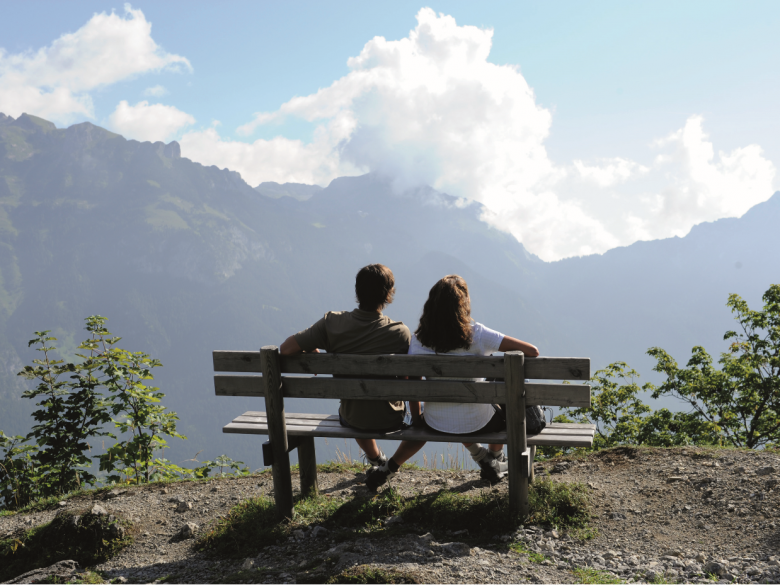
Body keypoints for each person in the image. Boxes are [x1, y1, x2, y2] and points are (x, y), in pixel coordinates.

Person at [279, 264, 425, 479]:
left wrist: (311, 347)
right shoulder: (400, 333)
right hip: (390, 419)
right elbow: (413, 378)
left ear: (357, 292)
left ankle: (376, 459)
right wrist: (417, 417)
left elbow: (286, 349)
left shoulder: (332, 323)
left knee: (356, 405)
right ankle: (387, 465)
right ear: (388, 294)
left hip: (352, 417)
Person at [410, 274, 539, 483]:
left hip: (434, 421)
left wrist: (417, 421)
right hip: (479, 423)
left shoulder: (417, 340)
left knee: (461, 408)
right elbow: (532, 351)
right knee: (504, 403)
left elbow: (413, 385)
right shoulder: (477, 334)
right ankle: (496, 457)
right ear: (463, 304)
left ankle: (491, 461)